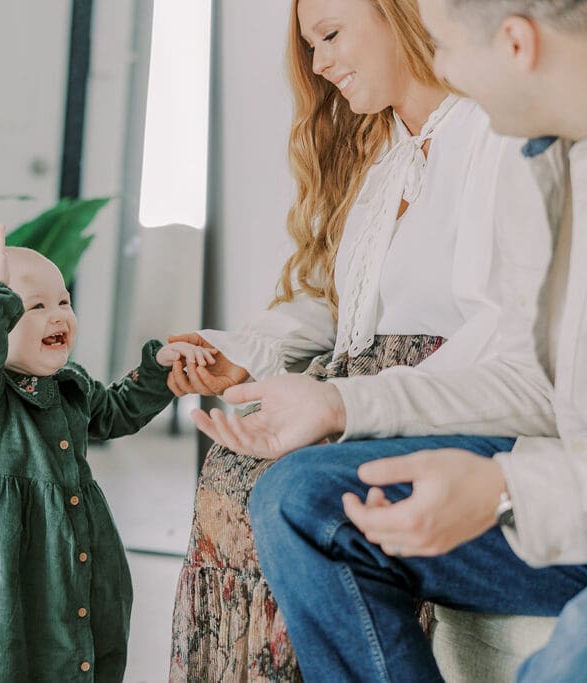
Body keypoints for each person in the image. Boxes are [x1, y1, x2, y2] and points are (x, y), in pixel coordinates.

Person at [166, 0, 558, 680]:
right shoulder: (382, 160)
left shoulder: (502, 138)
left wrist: (348, 405)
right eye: (310, 44)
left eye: (332, 34)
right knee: (230, 472)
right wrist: (244, 353)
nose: (319, 64)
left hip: (442, 403)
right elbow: (336, 306)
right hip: (368, 387)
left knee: (289, 492)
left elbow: (513, 353)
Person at [0, 225, 212, 682]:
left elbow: (117, 412)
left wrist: (156, 372)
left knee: (94, 629)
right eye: (32, 306)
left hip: (81, 537)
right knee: (9, 648)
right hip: (6, 553)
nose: (58, 315)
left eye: (63, 301)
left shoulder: (72, 385)